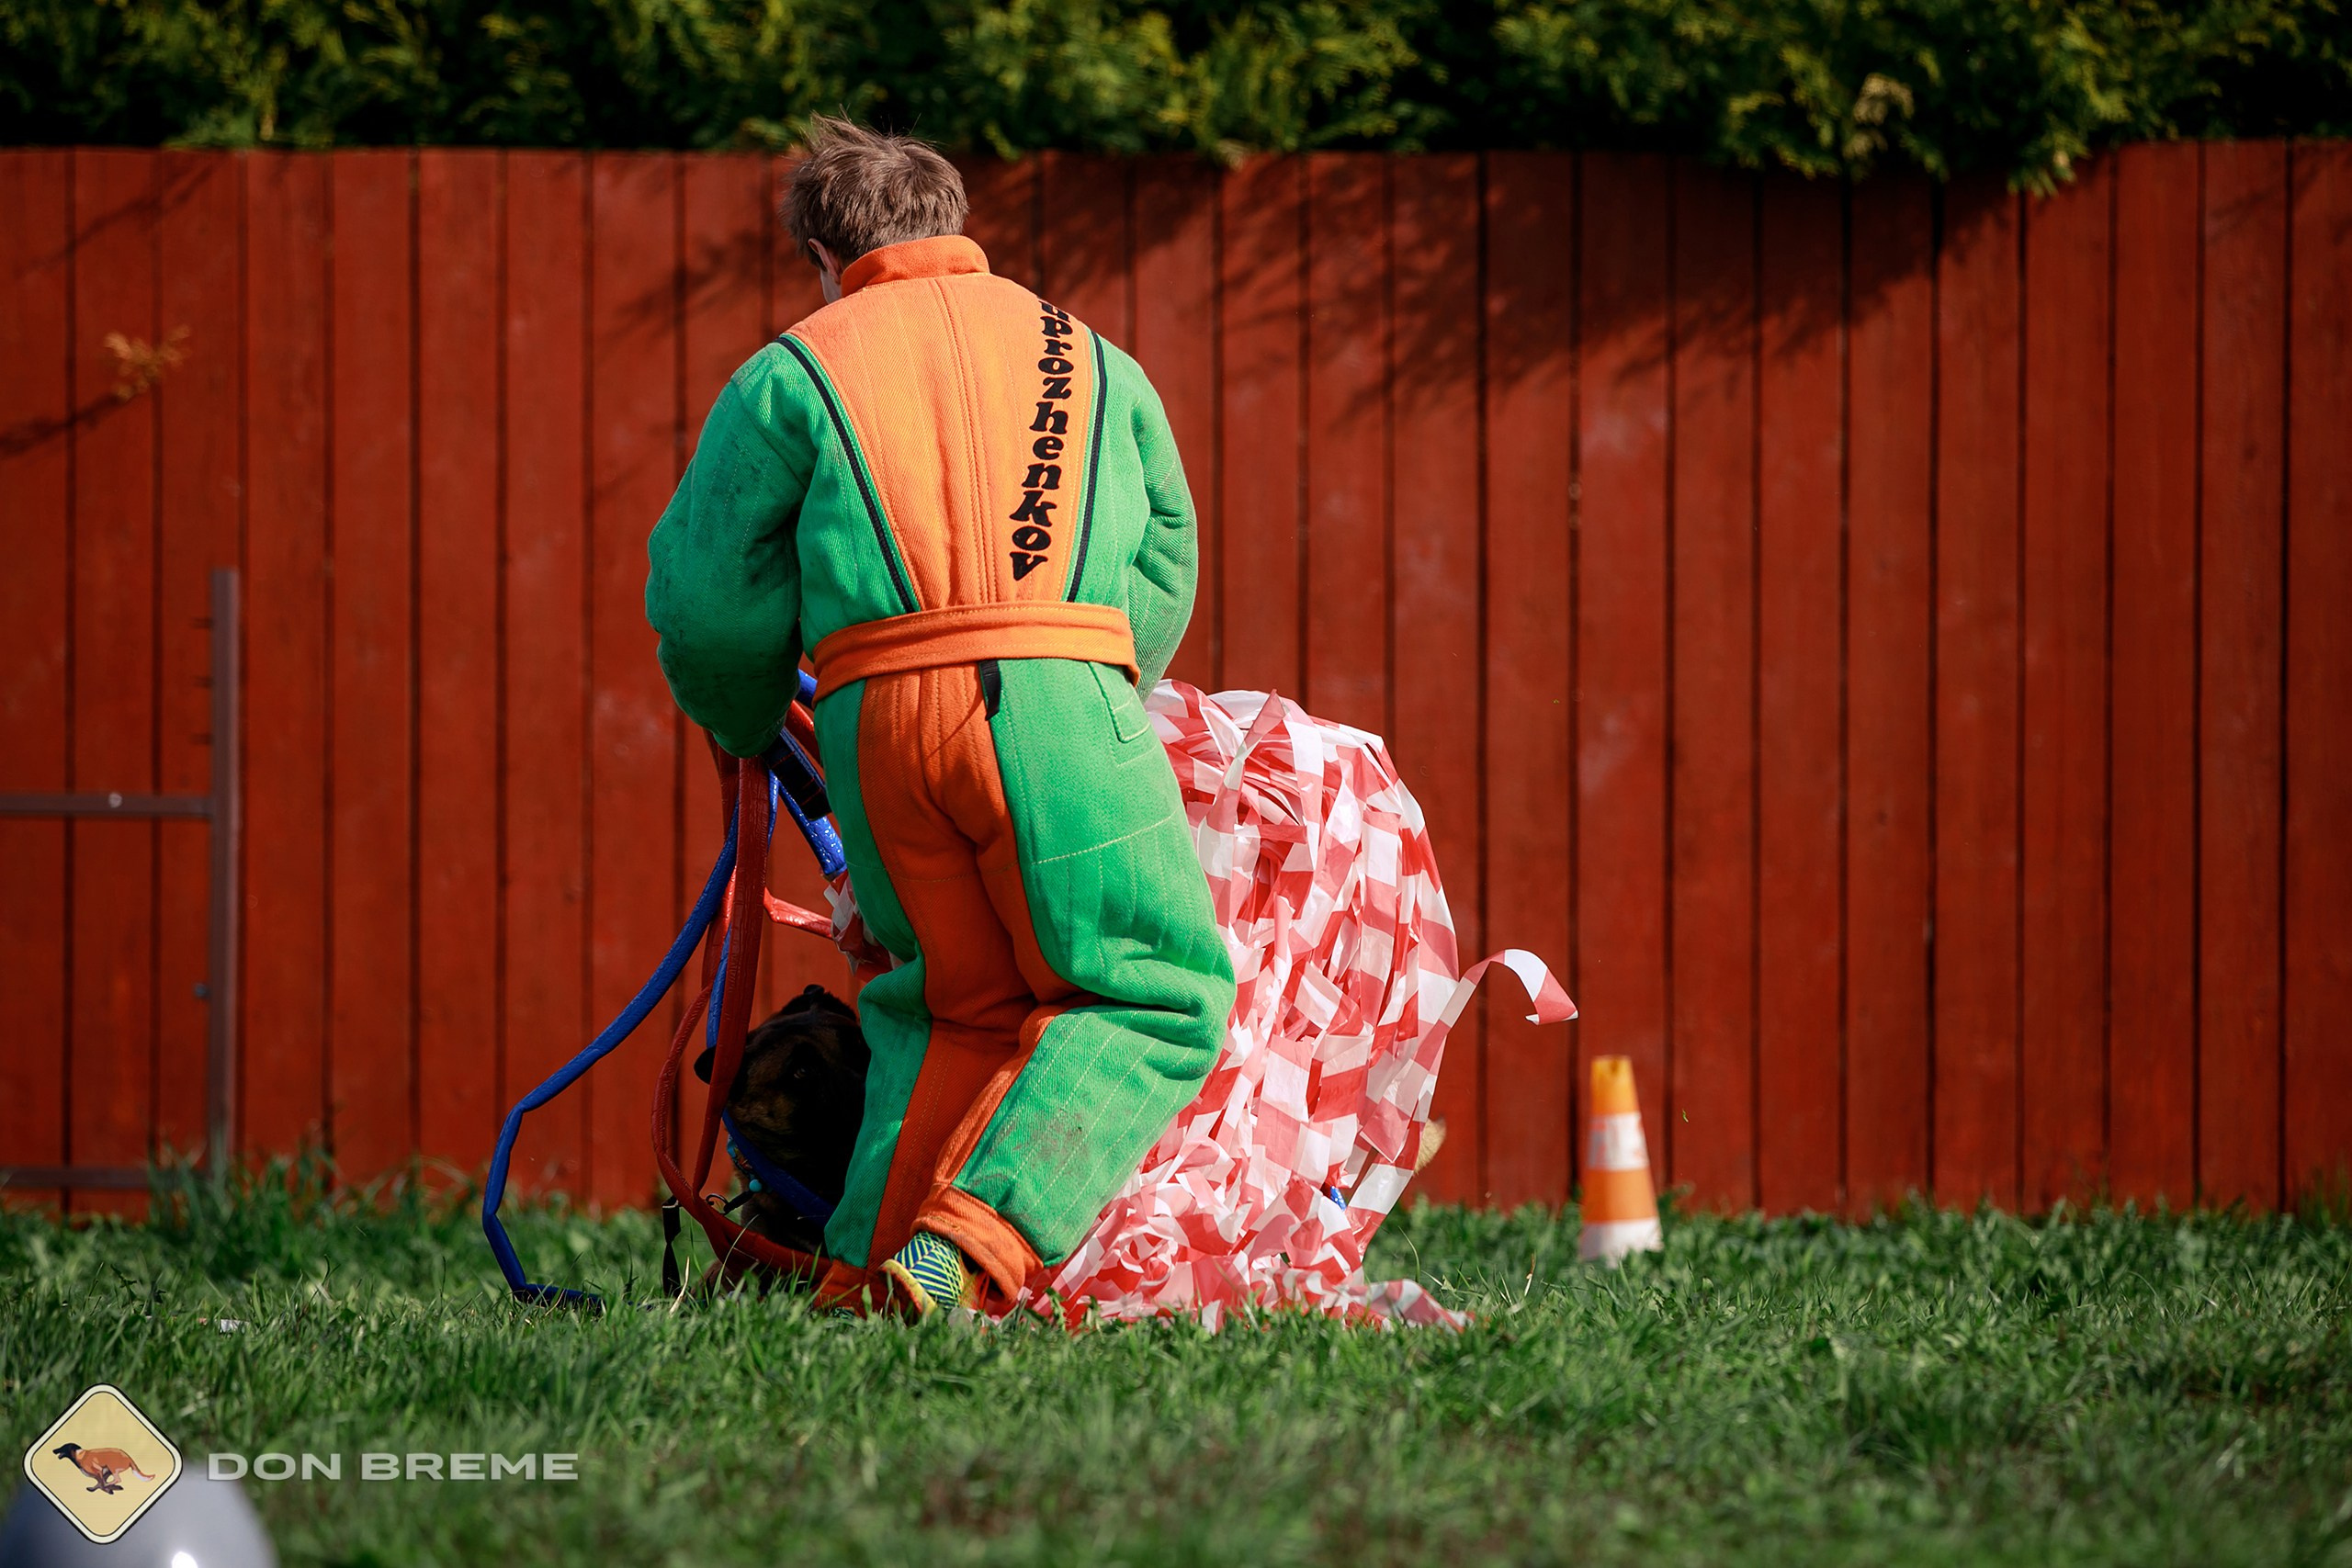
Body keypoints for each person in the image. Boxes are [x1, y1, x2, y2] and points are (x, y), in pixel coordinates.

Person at [644, 117, 1234, 1316]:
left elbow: (706, 603)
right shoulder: (1093, 356)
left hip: (880, 722)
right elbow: (1163, 557)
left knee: (945, 1008)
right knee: (1152, 992)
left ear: (823, 250)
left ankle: (865, 1280)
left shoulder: (790, 373)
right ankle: (965, 1246)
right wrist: (1104, 707)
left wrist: (750, 715)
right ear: (955, 225)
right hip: (1060, 690)